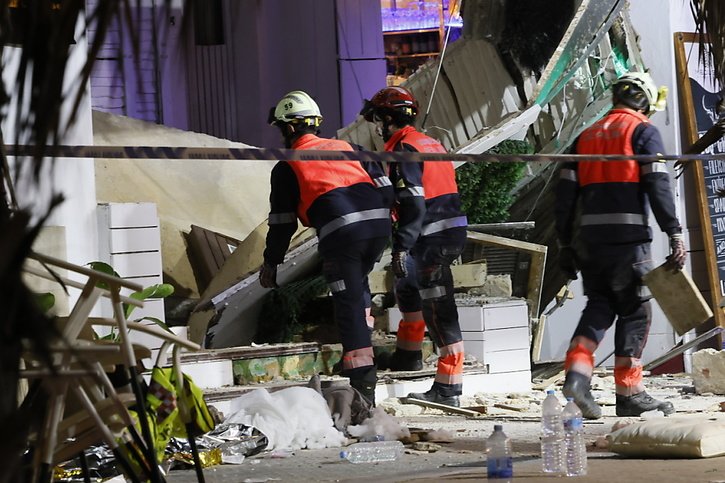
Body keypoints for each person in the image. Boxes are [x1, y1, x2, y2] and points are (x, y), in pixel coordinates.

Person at [555, 71, 687, 419]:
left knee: (600, 306)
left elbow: (564, 197)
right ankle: (629, 393)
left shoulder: (585, 136)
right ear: (643, 100)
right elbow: (658, 185)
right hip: (628, 243)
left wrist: (566, 244)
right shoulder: (642, 132)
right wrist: (674, 232)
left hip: (589, 243)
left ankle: (577, 376)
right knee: (635, 310)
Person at [260, 90, 391, 405]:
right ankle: (356, 354)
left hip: (343, 236)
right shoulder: (350, 148)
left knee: (346, 305)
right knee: (357, 289)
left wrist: (271, 262)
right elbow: (386, 190)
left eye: (280, 129)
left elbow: (282, 223)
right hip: (378, 227)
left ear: (289, 128)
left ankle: (363, 385)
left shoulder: (288, 165)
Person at [360, 86, 468, 407]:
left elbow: (413, 203)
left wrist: (402, 247)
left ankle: (449, 389)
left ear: (390, 119)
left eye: (379, 118)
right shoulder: (427, 142)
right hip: (442, 232)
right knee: (407, 287)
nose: (377, 126)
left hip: (430, 238)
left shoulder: (405, 149)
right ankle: (408, 356)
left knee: (439, 310)